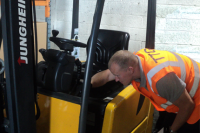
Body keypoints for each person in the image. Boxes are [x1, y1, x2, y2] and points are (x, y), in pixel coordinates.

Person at [91, 48, 200, 133]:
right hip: (179, 96)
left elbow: (187, 106)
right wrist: (88, 86)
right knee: (162, 126)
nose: (116, 79)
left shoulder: (159, 79)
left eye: (118, 75)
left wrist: (170, 131)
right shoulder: (135, 60)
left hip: (195, 101)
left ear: (130, 70)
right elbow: (106, 75)